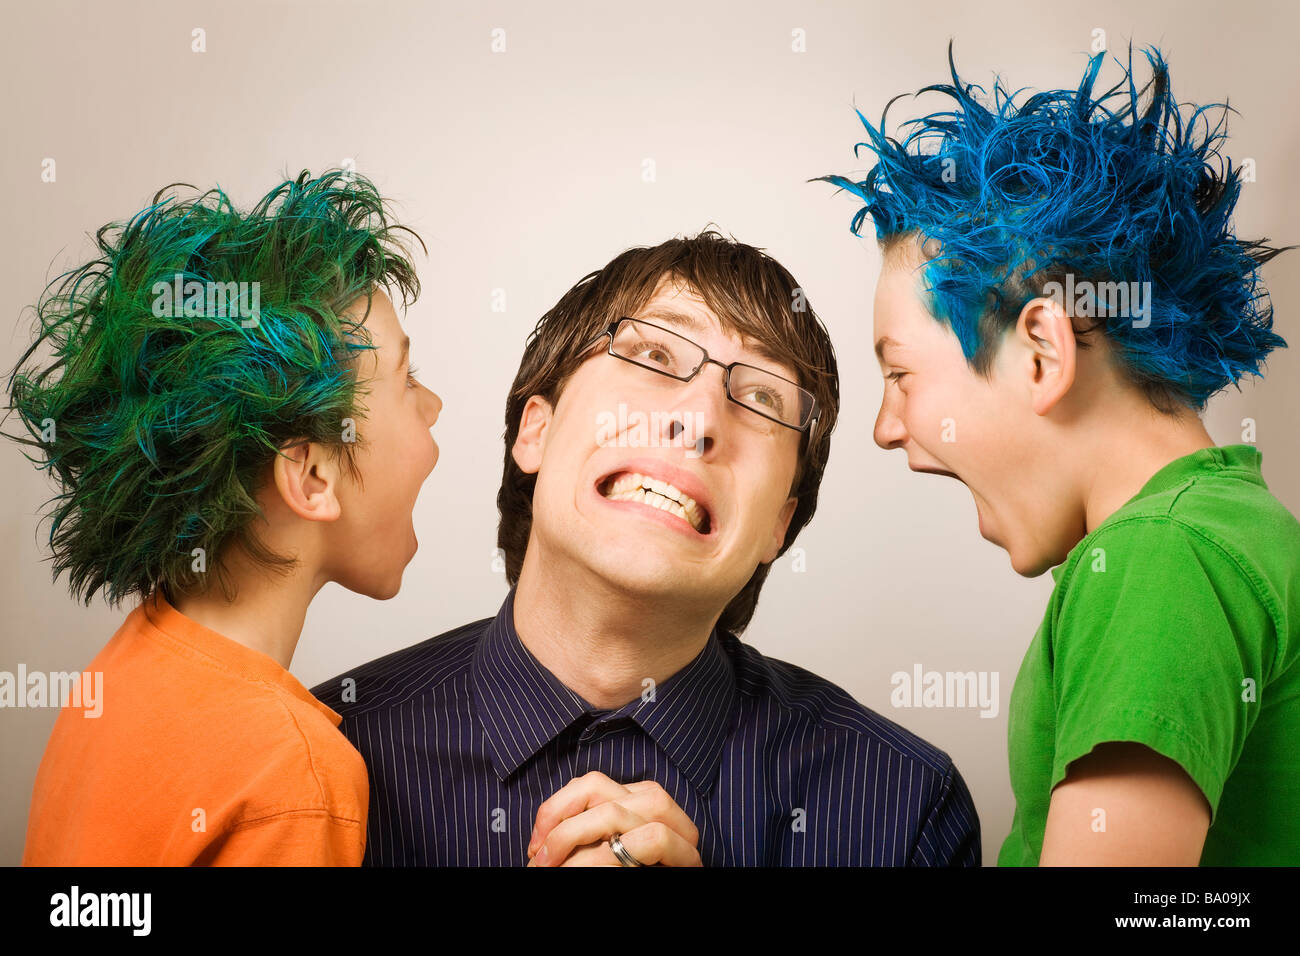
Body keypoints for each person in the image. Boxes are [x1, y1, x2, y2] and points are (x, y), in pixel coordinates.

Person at [312, 230, 981, 866]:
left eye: (761, 397)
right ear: (534, 431)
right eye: (655, 355)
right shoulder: (323, 757)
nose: (699, 422)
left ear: (779, 526)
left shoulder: (904, 807)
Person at [818, 44, 1300, 865]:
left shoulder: (1161, 555)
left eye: (900, 373)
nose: (885, 427)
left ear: (1042, 350)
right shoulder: (1224, 533)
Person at [8, 170, 442, 865]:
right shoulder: (291, 775)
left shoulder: (123, 669)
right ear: (311, 475)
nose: (435, 406)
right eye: (407, 381)